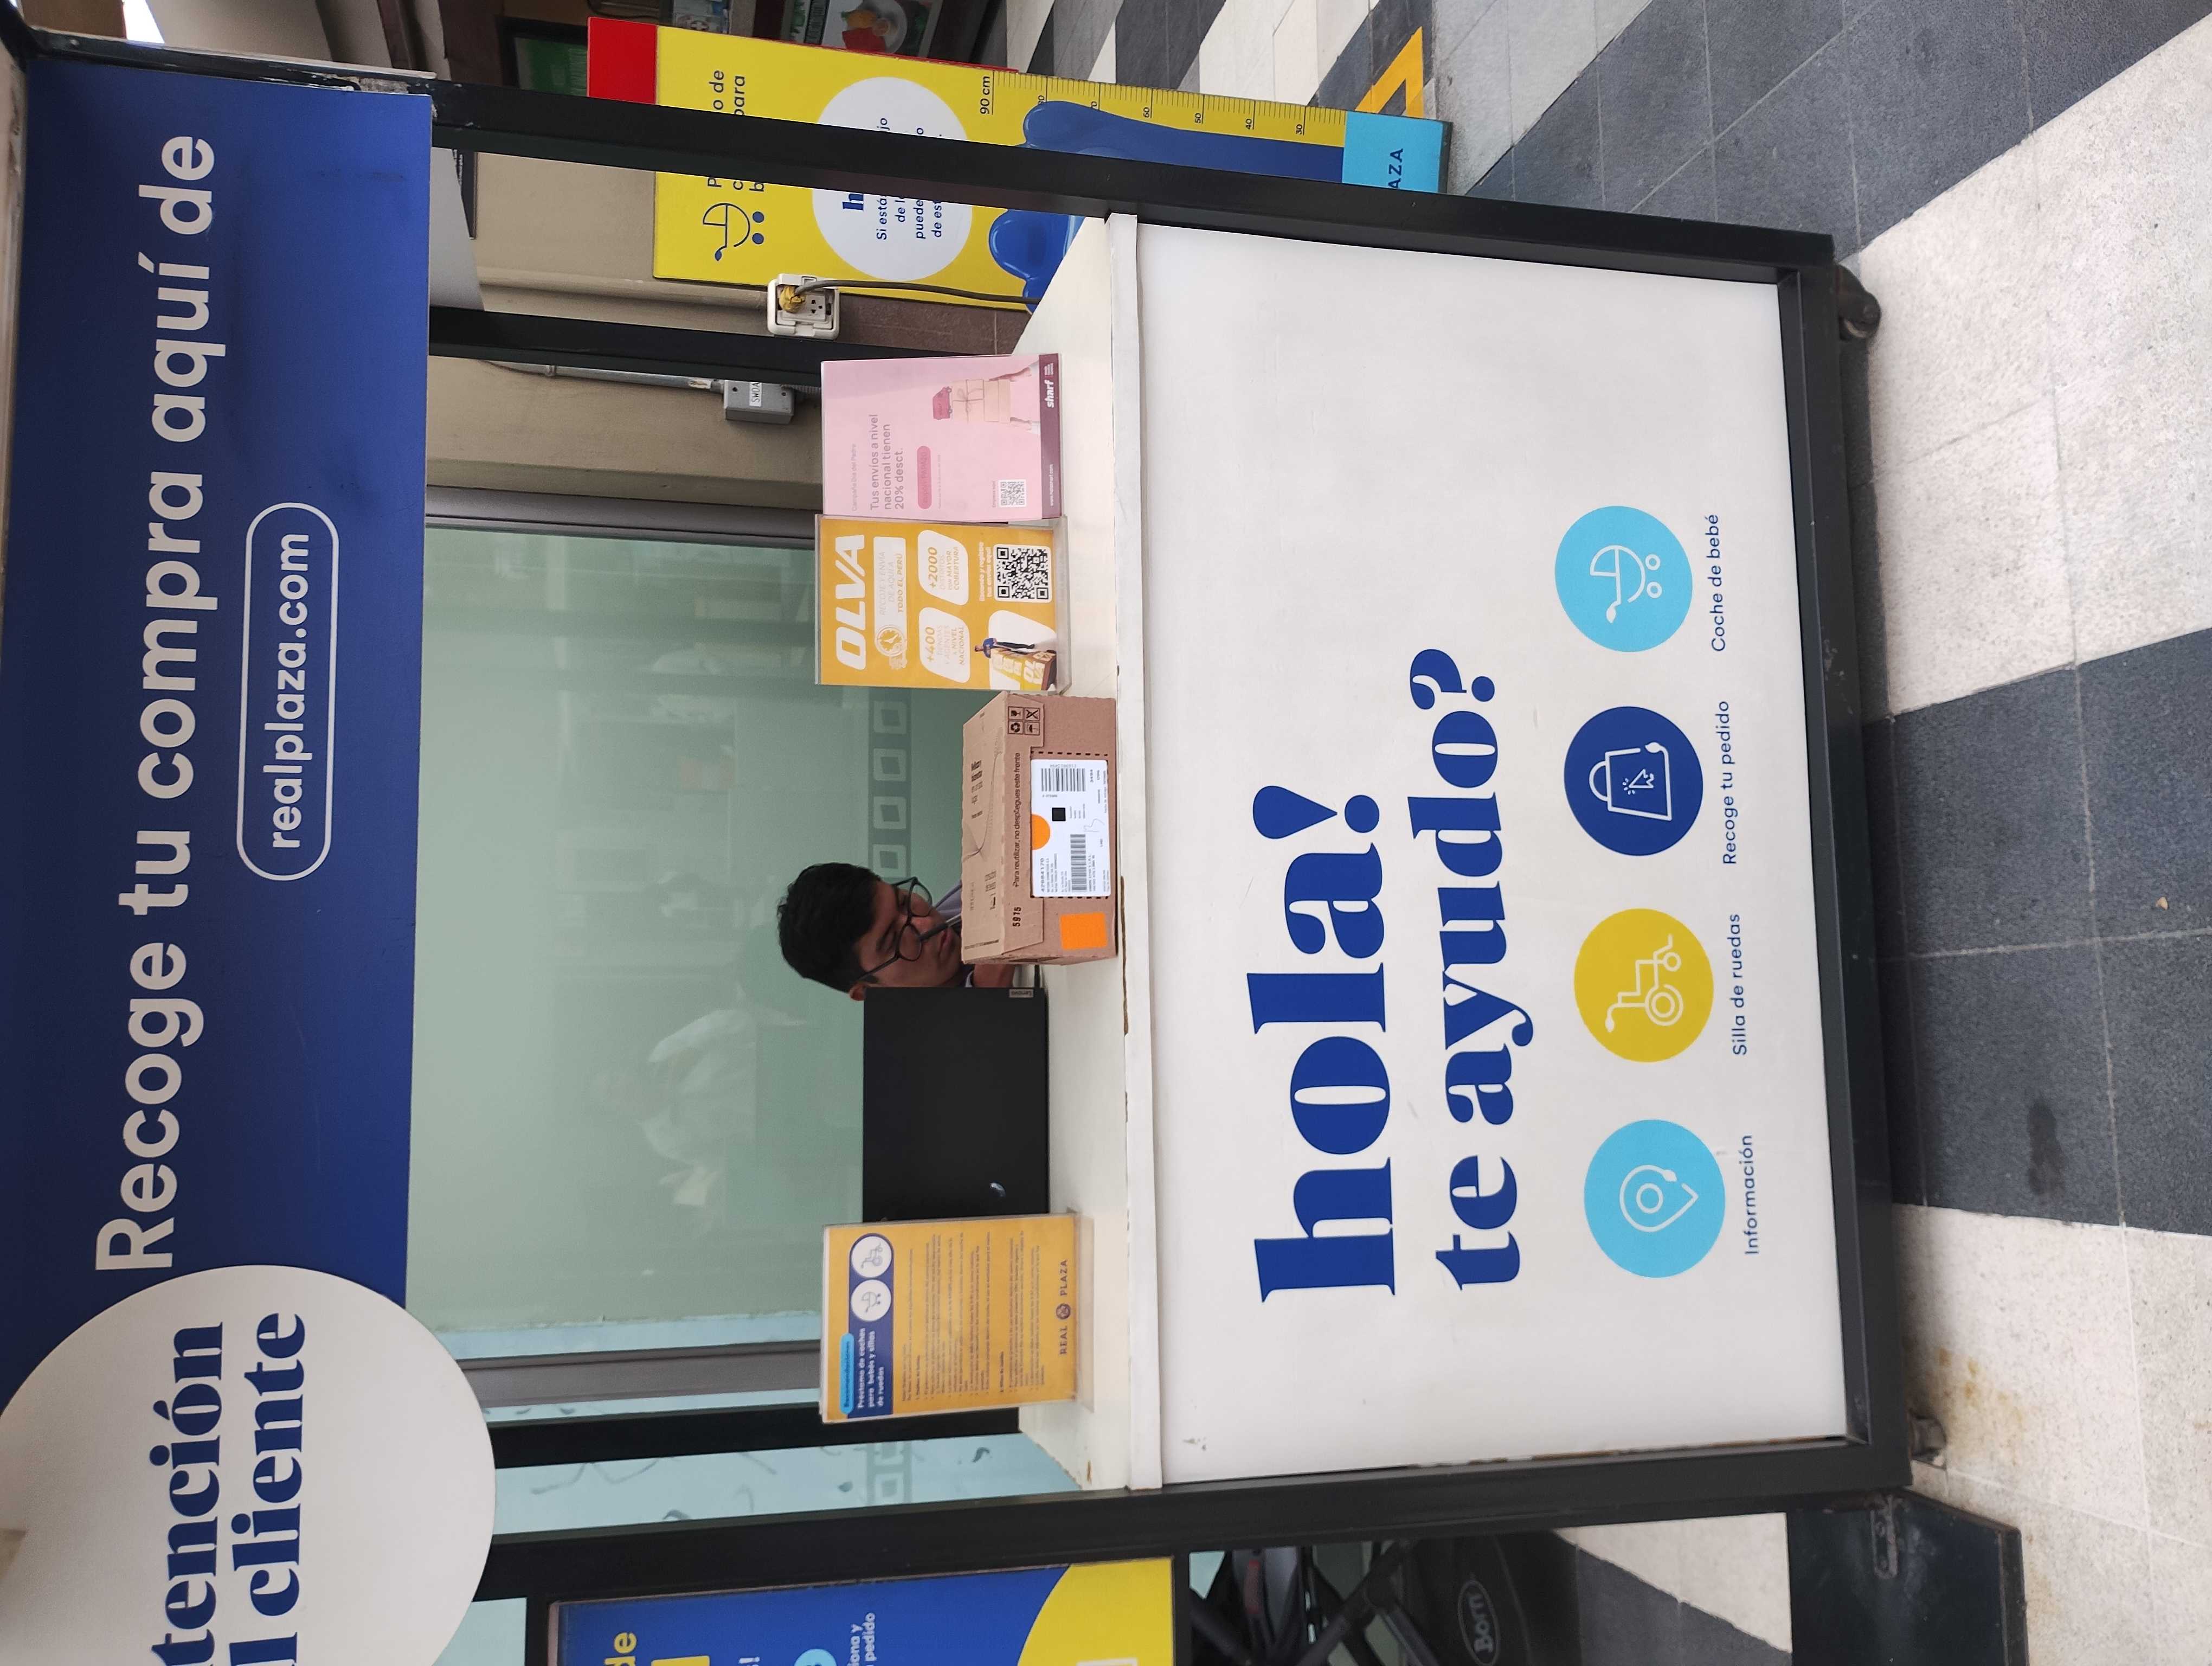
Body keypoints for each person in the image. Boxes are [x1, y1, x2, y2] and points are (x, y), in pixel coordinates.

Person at [776, 863, 1013, 998]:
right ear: (869, 990)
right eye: (893, 940)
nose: (925, 925)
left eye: (903, 902)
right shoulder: (940, 1058)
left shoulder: (975, 892)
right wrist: (988, 1003)